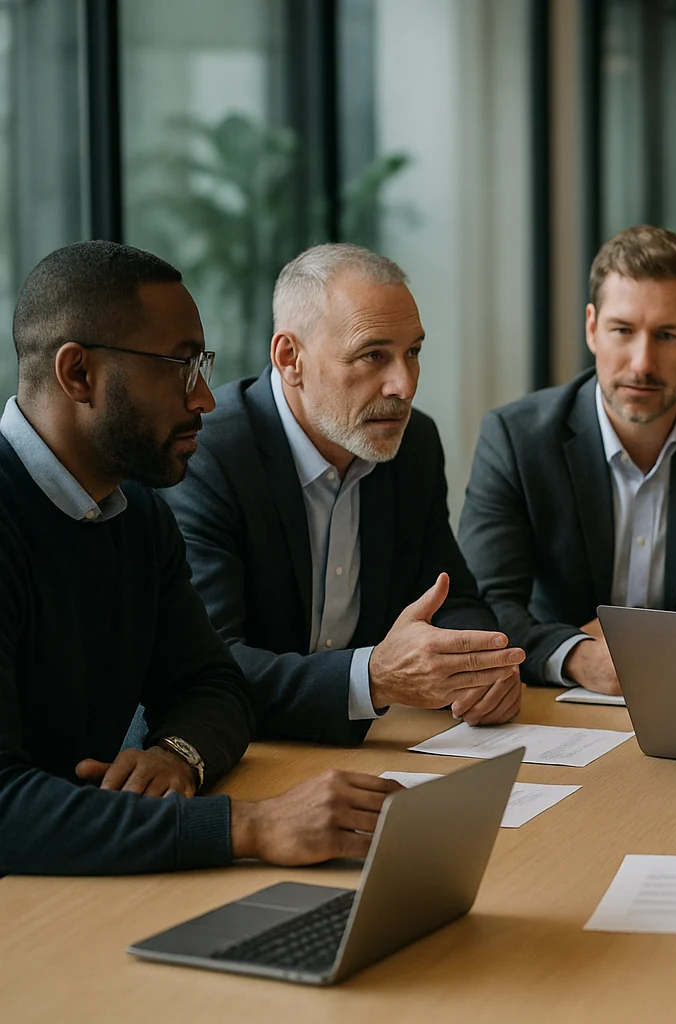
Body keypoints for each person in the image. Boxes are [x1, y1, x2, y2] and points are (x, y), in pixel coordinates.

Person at [0, 240, 406, 875]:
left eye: (203, 366)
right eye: (178, 367)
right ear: (78, 374)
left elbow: (215, 688)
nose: (204, 400)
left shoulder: (136, 515)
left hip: (89, 883)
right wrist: (254, 824)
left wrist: (176, 753)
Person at [164, 243, 523, 746]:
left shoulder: (413, 442)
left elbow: (449, 595)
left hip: (375, 745)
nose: (403, 385)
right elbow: (213, 665)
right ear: (290, 358)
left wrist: (484, 667)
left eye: (413, 352)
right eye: (373, 355)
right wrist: (371, 678)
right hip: (248, 753)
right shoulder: (211, 456)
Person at [459, 225, 676, 696]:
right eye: (623, 330)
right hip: (557, 701)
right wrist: (578, 655)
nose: (642, 362)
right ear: (591, 328)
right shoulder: (516, 438)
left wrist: (644, 641)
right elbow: (484, 604)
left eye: (667, 335)